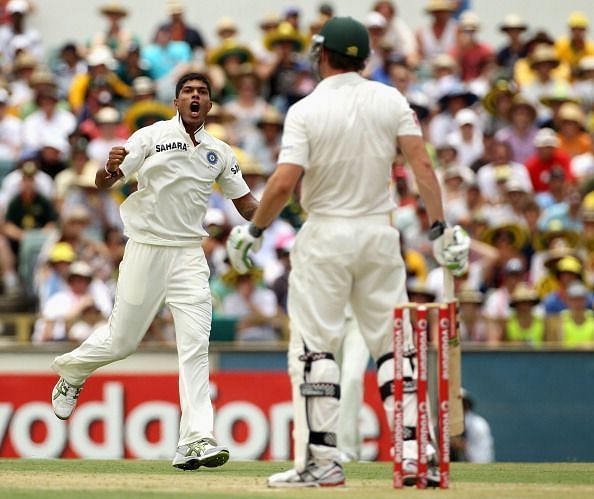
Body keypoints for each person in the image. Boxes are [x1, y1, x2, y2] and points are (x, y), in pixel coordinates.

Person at [226, 17, 470, 488]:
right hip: (380, 236)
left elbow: (282, 183)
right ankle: (415, 451)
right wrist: (440, 229)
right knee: (392, 346)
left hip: (326, 237)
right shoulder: (391, 99)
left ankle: (321, 461)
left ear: (323, 55)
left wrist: (253, 232)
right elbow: (421, 164)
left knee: (316, 347)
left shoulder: (306, 109)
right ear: (363, 58)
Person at [50, 72, 260, 471]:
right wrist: (108, 170)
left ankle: (195, 440)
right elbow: (104, 181)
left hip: (188, 256)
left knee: (195, 347)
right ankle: (72, 373)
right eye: (188, 92)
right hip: (145, 249)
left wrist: (273, 217)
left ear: (210, 105)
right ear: (176, 101)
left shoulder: (220, 152)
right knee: (122, 341)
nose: (195, 97)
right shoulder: (150, 136)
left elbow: (247, 204)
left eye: (202, 93)